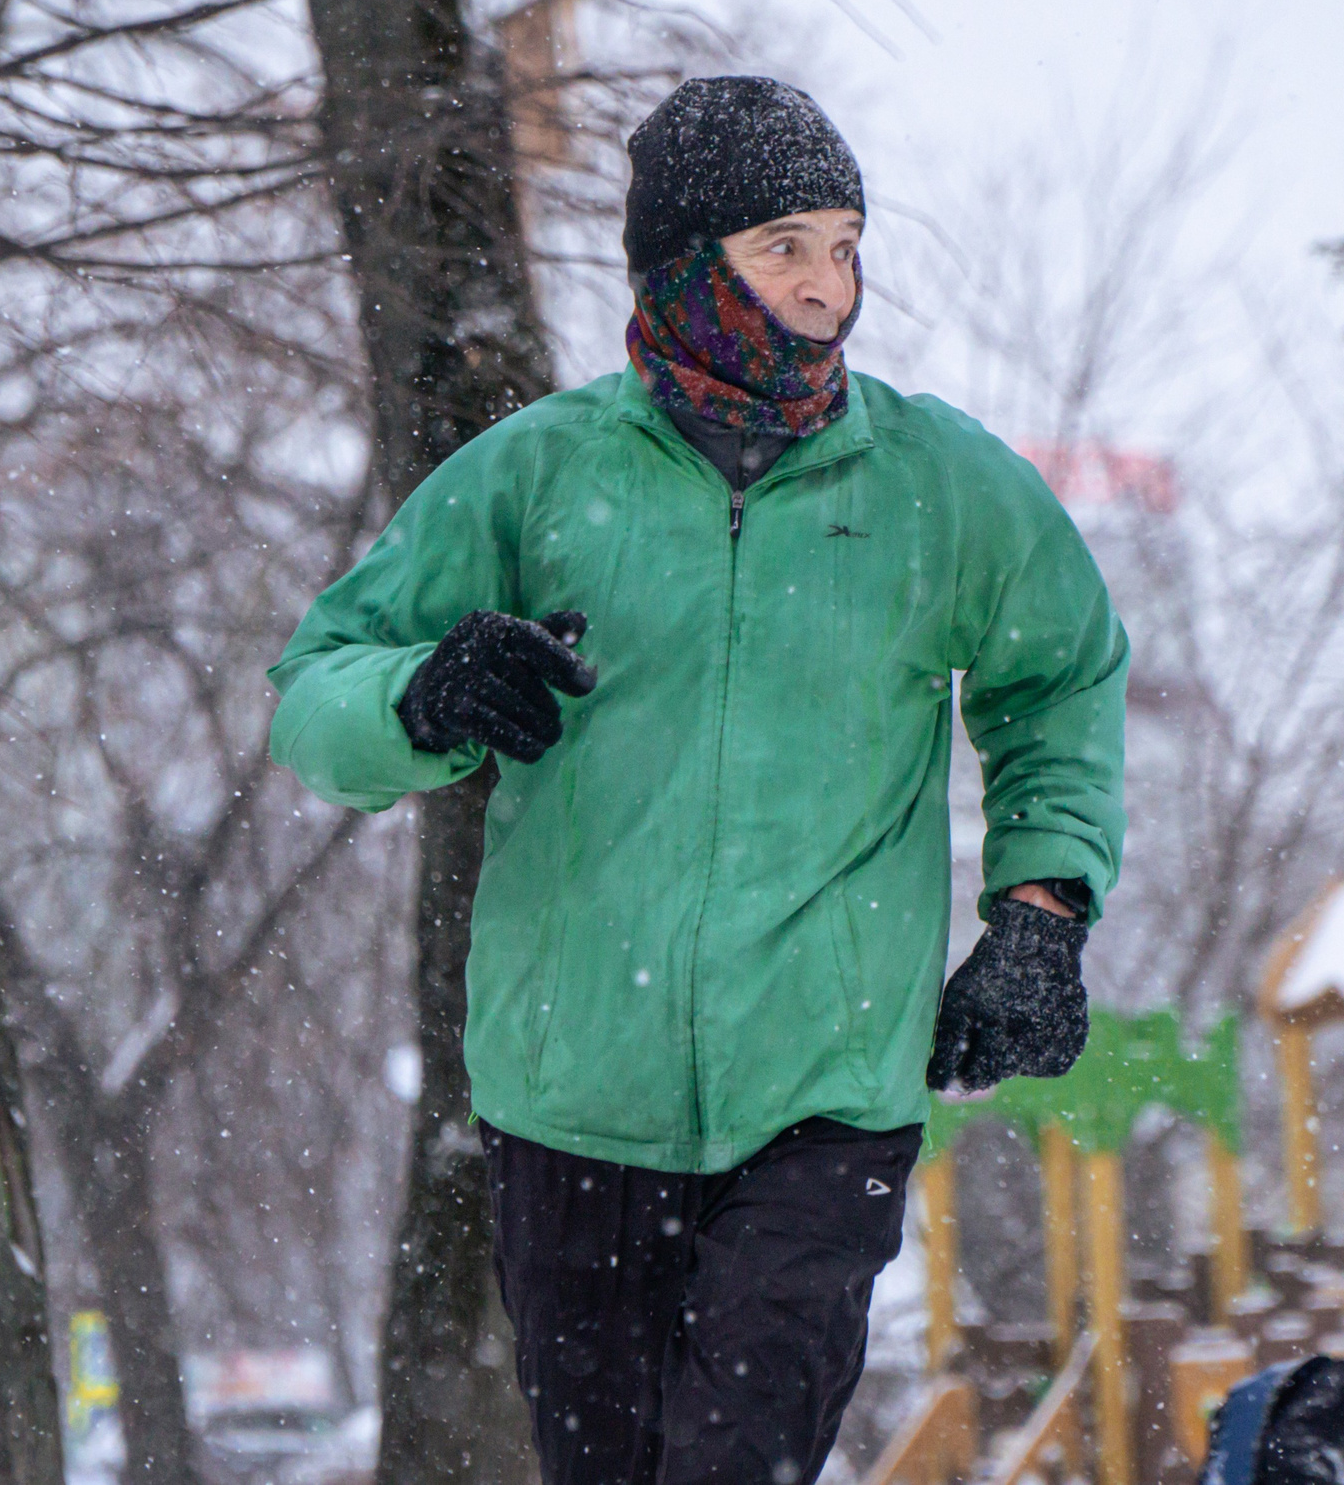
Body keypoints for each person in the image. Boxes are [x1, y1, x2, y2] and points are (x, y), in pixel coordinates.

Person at [268, 76, 1129, 1485]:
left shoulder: (942, 487)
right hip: (571, 1090)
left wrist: (1040, 912)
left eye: (846, 245)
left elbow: (1064, 679)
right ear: (685, 265)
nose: (827, 285)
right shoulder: (539, 477)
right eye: (784, 245)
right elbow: (314, 685)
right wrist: (419, 699)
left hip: (825, 1088)